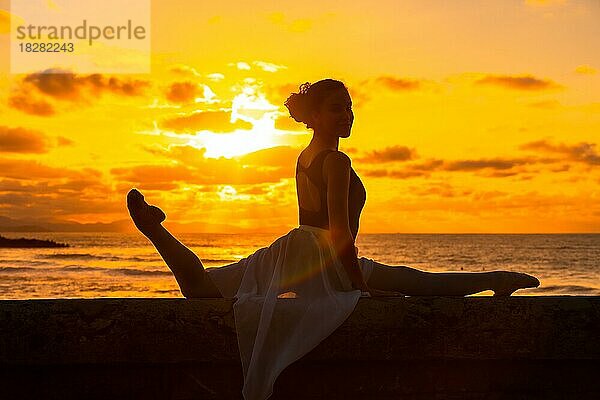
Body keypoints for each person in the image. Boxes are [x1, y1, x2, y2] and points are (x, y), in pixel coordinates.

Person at [126, 78, 540, 400]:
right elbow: (338, 231)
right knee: (414, 282)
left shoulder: (303, 156)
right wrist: (359, 288)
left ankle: (155, 229)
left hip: (293, 248)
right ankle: (497, 277)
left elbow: (312, 221)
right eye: (337, 108)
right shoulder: (336, 161)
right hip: (322, 254)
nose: (347, 115)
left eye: (350, 108)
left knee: (202, 288)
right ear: (316, 117)